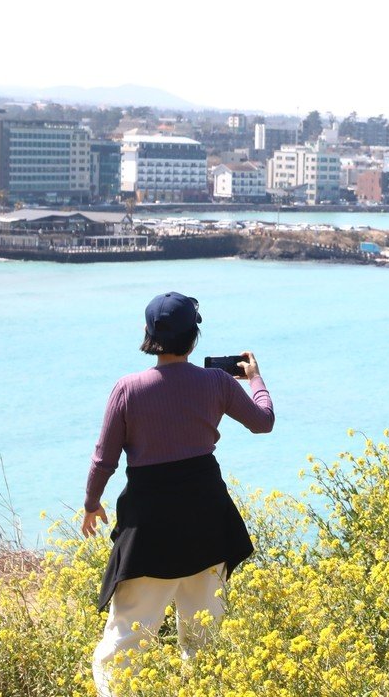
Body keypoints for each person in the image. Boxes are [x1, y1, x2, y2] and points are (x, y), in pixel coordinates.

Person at [83, 292, 274, 696]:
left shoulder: (128, 389)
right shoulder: (217, 381)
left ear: (148, 335)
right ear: (195, 336)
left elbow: (104, 459)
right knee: (204, 642)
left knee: (123, 646)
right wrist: (255, 377)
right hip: (209, 524)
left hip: (149, 531)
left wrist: (91, 504)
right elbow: (263, 422)